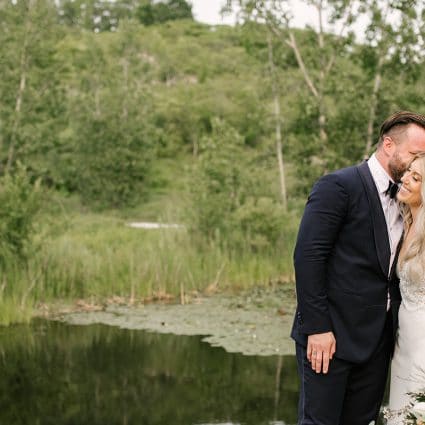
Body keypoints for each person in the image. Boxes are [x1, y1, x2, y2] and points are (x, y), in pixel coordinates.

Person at [290, 111, 425, 425]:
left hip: (379, 343)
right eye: (414, 153)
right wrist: (317, 328)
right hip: (329, 339)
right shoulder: (338, 186)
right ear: (388, 144)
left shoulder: (410, 202)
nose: (416, 163)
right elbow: (308, 258)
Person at [386, 153, 425, 424]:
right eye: (407, 172)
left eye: (416, 177)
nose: (406, 180)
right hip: (404, 343)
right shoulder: (405, 224)